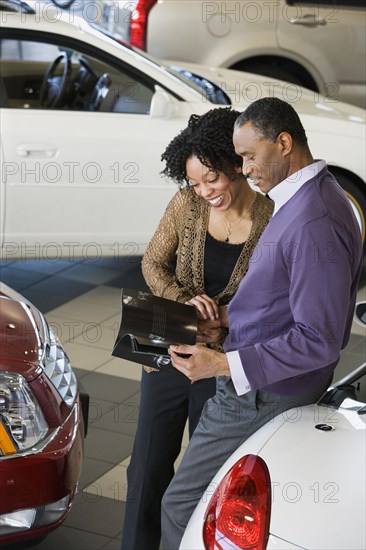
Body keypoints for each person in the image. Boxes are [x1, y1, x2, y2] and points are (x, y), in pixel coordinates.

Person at [161, 97, 363, 548]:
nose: (245, 168)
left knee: (182, 505)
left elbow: (320, 339)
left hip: (261, 393)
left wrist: (221, 365)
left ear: (285, 143)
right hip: (257, 377)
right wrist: (225, 322)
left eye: (250, 156)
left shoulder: (315, 221)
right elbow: (280, 299)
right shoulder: (307, 197)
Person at [120, 107, 274, 550]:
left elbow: (269, 299)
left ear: (233, 165)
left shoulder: (271, 218)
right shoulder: (186, 205)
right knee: (146, 466)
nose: (205, 191)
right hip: (169, 346)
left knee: (205, 474)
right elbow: (152, 262)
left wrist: (223, 319)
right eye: (195, 183)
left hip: (222, 360)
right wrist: (183, 299)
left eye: (213, 179)